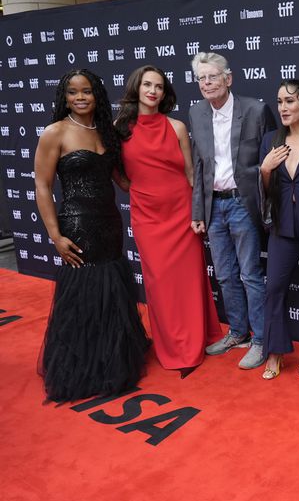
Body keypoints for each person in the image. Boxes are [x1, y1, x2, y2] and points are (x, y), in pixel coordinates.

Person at [33, 69, 149, 402]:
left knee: (111, 292)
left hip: (110, 225)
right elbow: (42, 185)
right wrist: (55, 234)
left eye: (86, 91)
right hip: (77, 226)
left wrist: (161, 187)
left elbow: (123, 181)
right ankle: (83, 368)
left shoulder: (106, 132)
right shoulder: (55, 133)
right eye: (73, 92)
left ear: (96, 94)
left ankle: (113, 362)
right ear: (64, 97)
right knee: (84, 295)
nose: (80, 98)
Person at [117, 65, 222, 378]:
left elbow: (190, 173)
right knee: (160, 284)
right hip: (148, 217)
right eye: (147, 85)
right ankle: (174, 345)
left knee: (189, 280)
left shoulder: (175, 127)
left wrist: (197, 212)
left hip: (181, 214)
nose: (153, 91)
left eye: (159, 87)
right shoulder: (119, 129)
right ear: (136, 88)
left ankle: (196, 339)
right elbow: (118, 175)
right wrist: (140, 190)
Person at [189, 52, 276, 370]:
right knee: (225, 275)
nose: (207, 83)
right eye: (201, 78)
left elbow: (273, 155)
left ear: (229, 78)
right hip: (214, 205)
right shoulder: (196, 113)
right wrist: (198, 210)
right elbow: (199, 165)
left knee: (250, 274)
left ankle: (260, 340)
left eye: (212, 76)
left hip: (244, 202)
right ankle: (238, 332)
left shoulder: (255, 109)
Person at [259, 79, 299, 380]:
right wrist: (265, 170)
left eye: (290, 101)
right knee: (273, 289)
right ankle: (275, 352)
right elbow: (267, 193)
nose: (283, 107)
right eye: (280, 101)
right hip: (282, 228)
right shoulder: (272, 140)